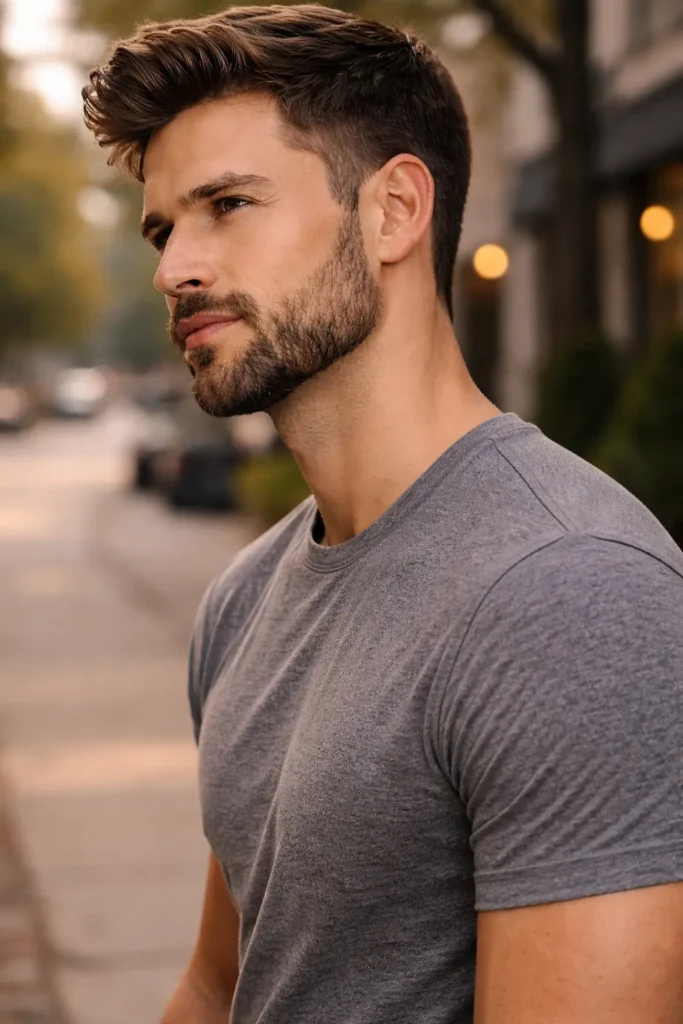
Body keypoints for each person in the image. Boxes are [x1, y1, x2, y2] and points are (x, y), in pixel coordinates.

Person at [82, 6, 683, 1022]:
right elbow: (221, 984)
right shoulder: (246, 598)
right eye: (163, 226)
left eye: (226, 203)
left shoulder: (568, 596)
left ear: (395, 210)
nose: (173, 268)